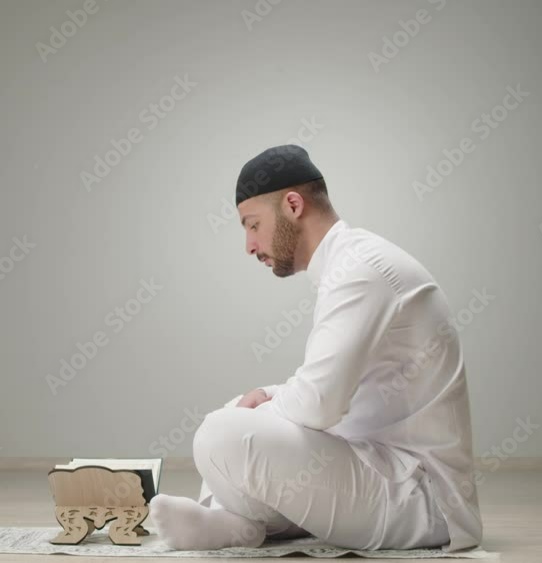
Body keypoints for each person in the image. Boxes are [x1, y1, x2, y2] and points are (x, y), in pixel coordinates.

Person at [148, 144, 483, 552]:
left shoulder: (360, 270)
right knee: (241, 407)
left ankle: (239, 521)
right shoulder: (350, 263)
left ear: (292, 205)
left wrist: (267, 404)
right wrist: (268, 398)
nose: (249, 246)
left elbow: (318, 405)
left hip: (422, 500)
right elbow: (323, 393)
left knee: (221, 431)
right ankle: (237, 525)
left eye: (252, 225)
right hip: (378, 469)